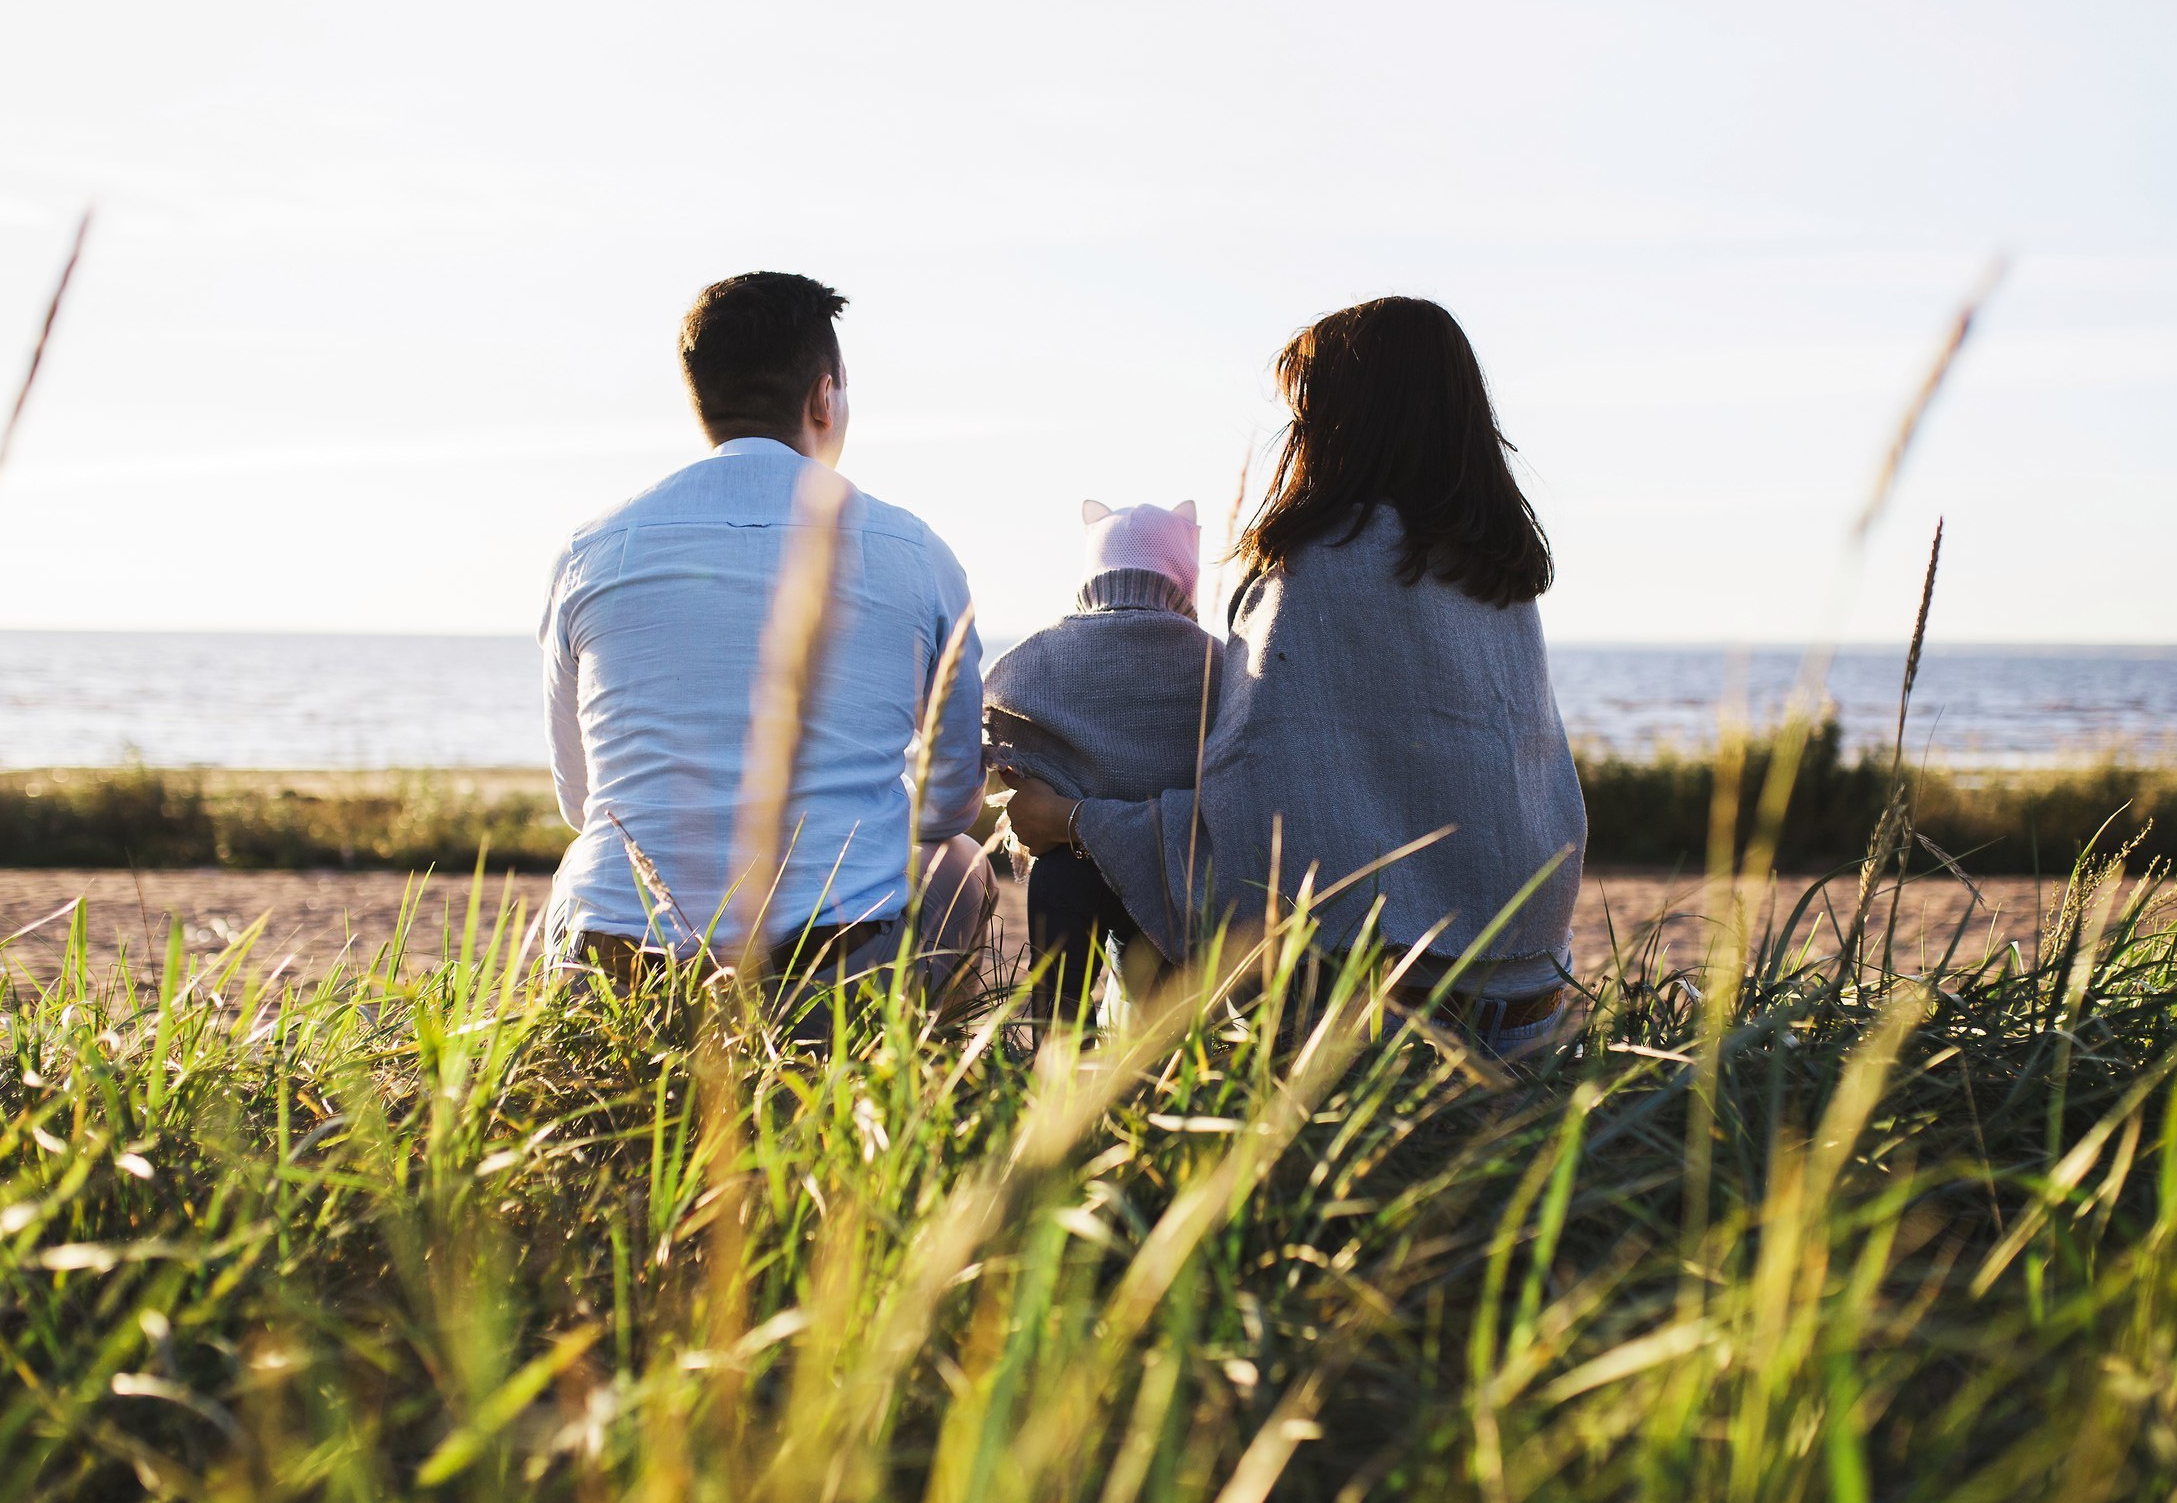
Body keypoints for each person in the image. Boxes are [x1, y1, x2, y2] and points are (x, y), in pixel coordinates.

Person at [1003, 297, 1585, 1054]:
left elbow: (1250, 830)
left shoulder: (1313, 570)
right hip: (1531, 1017)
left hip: (1382, 1034)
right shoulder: (1502, 581)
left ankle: (1083, 1085)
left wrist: (1073, 822)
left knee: (1074, 877)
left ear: (1342, 423)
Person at [540, 272, 994, 998]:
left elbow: (581, 801)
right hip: (836, 975)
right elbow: (950, 806)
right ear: (824, 396)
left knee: (583, 859)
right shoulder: (914, 550)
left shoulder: (590, 549)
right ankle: (928, 1087)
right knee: (961, 862)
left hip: (619, 969)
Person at [983, 499, 1223, 1023]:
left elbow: (989, 706)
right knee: (1159, 1019)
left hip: (1075, 866)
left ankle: (1055, 1035)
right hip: (1176, 879)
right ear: (1183, 573)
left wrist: (1018, 760)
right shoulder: (1216, 661)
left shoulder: (1044, 654)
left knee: (1057, 893)